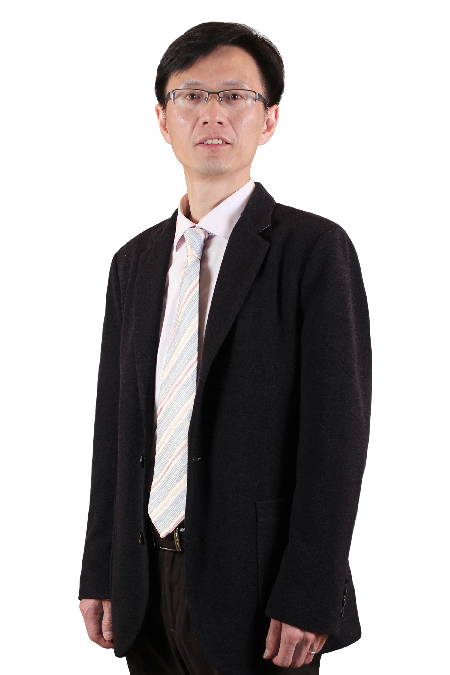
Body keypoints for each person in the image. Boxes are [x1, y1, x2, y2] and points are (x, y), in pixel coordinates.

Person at [78, 21, 372, 675]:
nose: (212, 113)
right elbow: (115, 429)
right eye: (191, 95)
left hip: (261, 590)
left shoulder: (313, 251)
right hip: (144, 581)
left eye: (235, 96)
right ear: (163, 119)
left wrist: (310, 590)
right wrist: (101, 567)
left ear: (269, 119)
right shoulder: (134, 263)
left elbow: (337, 438)